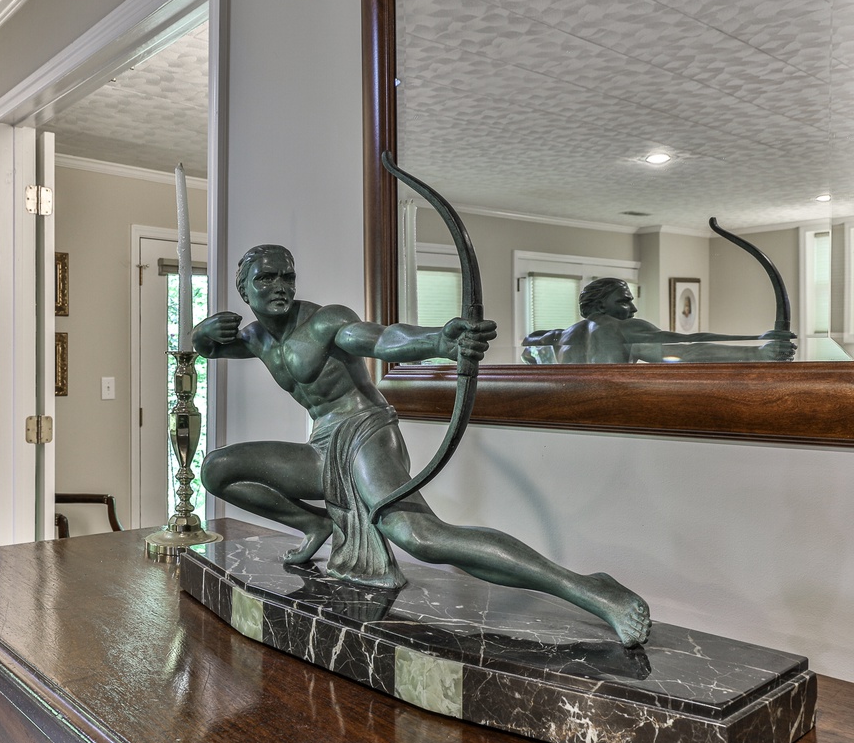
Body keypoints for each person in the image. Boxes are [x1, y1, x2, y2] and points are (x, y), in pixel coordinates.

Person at [194, 244, 651, 647]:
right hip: (323, 446)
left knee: (420, 537)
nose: (279, 286)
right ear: (244, 291)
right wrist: (201, 334)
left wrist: (438, 340)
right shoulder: (255, 337)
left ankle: (591, 589)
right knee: (216, 469)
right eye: (266, 278)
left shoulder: (324, 322)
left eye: (287, 276)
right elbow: (208, 349)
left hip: (365, 433)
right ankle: (314, 524)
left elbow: (381, 338)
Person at [522, 277, 795, 364]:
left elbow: (528, 349)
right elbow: (686, 347)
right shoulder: (624, 329)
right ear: (601, 305)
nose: (633, 308)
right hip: (615, 418)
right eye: (624, 301)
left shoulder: (557, 336)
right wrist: (757, 351)